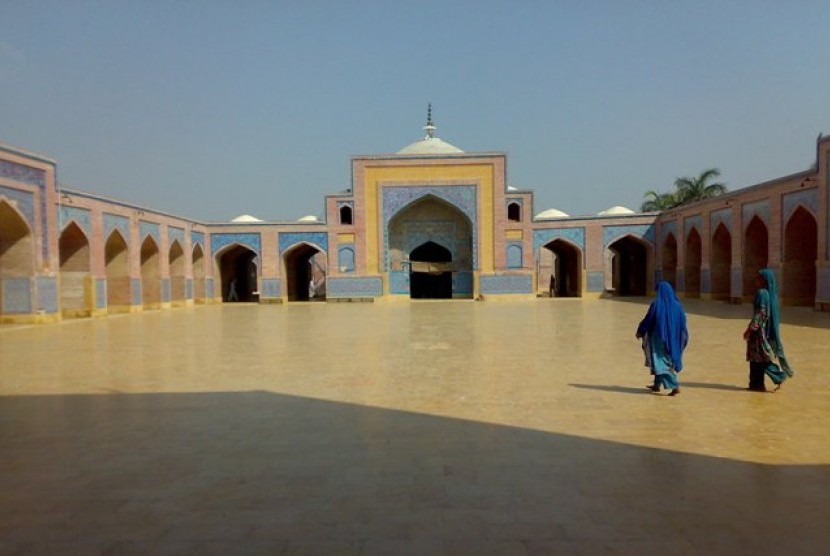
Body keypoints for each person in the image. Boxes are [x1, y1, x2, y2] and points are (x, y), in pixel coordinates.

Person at [743, 269, 794, 392]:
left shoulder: (762, 293)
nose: (756, 280)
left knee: (760, 358)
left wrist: (750, 330)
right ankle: (756, 385)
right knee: (755, 359)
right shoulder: (769, 294)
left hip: (759, 333)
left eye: (758, 278)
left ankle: (779, 376)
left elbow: (761, 313)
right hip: (762, 331)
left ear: (763, 280)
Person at [636, 281, 689, 396]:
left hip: (658, 338)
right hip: (673, 338)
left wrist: (640, 331)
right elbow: (683, 323)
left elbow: (648, 320)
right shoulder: (678, 306)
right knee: (664, 360)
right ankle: (656, 385)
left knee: (660, 361)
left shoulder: (656, 305)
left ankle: (674, 385)